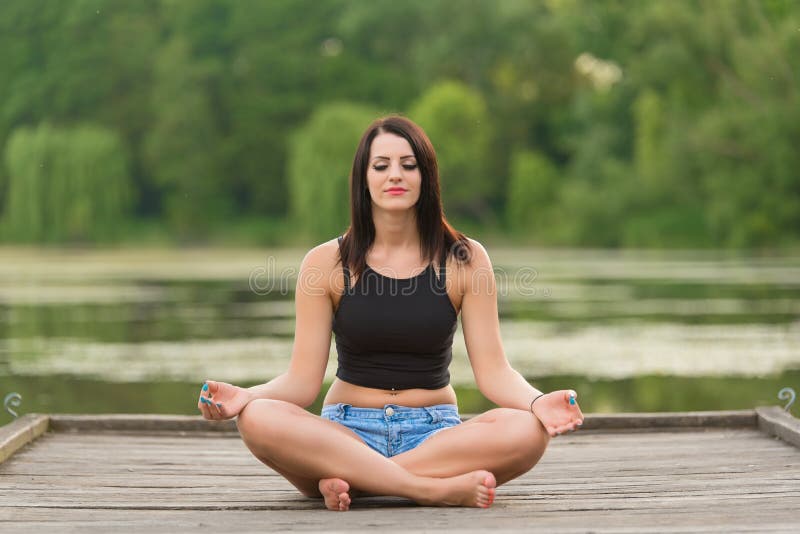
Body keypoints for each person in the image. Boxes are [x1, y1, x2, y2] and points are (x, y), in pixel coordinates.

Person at [197, 115, 584, 511]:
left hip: (435, 435)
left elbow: (495, 373)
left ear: (426, 176)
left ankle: (357, 483)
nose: (394, 175)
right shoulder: (325, 263)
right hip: (345, 432)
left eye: (408, 164)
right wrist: (248, 396)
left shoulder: (465, 259)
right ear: (363, 179)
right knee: (258, 418)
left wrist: (538, 402)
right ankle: (430, 489)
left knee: (527, 430)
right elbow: (301, 383)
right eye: (381, 166)